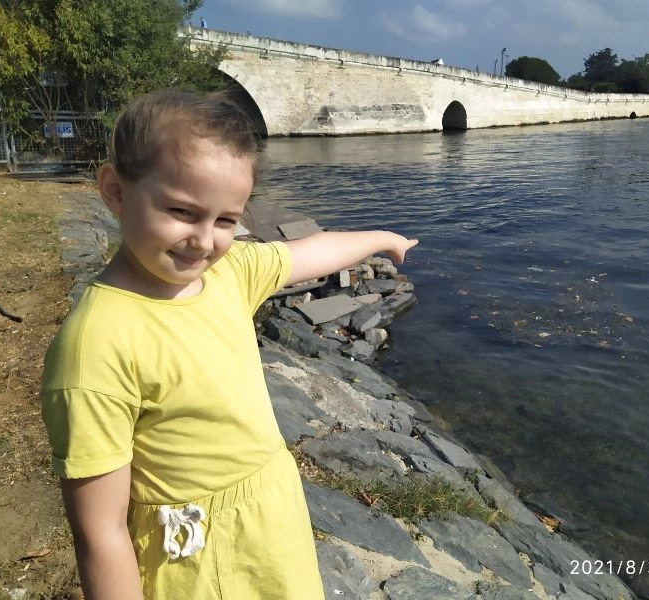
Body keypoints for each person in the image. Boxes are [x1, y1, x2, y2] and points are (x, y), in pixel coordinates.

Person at [40, 90, 418, 600]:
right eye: (181, 210)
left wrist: (380, 237)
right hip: (197, 560)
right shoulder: (97, 346)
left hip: (270, 520)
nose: (203, 240)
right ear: (116, 190)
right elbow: (100, 534)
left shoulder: (229, 273)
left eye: (224, 220)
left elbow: (307, 253)